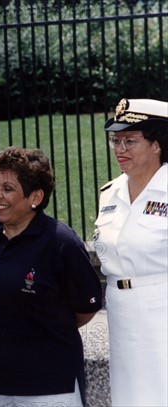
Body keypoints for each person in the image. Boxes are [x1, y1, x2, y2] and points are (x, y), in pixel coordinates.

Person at [0, 146, 103, 406]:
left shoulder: (62, 243)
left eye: (7, 188)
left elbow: (86, 307)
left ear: (35, 197)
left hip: (50, 387)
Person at [93, 98, 168, 407]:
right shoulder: (110, 193)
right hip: (122, 313)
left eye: (130, 140)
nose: (119, 148)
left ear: (157, 144)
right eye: (115, 140)